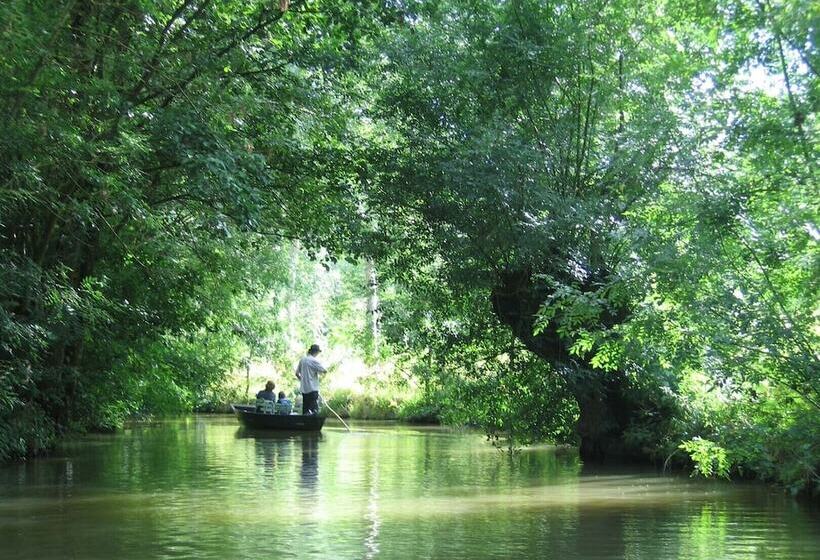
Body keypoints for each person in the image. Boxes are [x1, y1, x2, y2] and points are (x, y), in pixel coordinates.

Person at [295, 344, 326, 415]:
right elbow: (324, 371)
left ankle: (305, 422)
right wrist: (320, 379)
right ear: (316, 352)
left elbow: (297, 373)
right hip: (313, 389)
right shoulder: (314, 361)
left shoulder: (302, 360)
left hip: (304, 390)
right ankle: (313, 422)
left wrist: (302, 380)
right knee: (314, 412)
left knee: (305, 411)